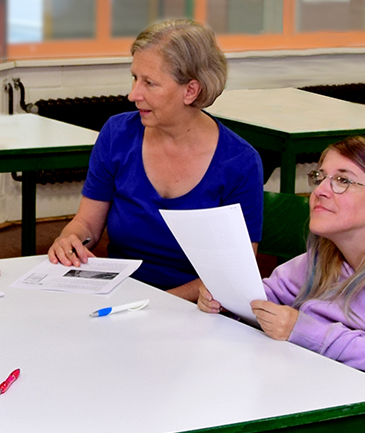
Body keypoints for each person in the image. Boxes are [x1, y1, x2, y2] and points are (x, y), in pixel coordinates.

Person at [197, 136, 365, 398]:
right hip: (308, 390)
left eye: (343, 181)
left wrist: (310, 333)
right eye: (321, 177)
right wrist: (227, 298)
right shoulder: (327, 255)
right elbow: (266, 296)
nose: (320, 190)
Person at [47, 19, 264, 301]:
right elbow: (87, 224)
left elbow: (235, 274)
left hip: (195, 309)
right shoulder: (117, 134)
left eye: (149, 83)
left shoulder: (240, 162)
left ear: (191, 91)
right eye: (134, 78)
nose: (133, 94)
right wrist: (71, 239)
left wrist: (159, 304)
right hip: (120, 296)